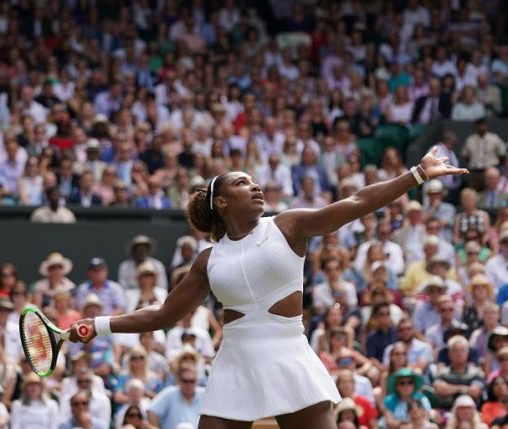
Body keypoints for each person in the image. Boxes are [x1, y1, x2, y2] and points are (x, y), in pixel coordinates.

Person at [69, 151, 467, 429]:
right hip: (233, 368)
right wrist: (98, 325)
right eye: (243, 183)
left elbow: (358, 201)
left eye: (255, 181)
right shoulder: (208, 260)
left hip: (288, 358)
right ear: (221, 201)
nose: (256, 186)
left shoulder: (288, 226)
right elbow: (162, 315)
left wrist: (417, 174)